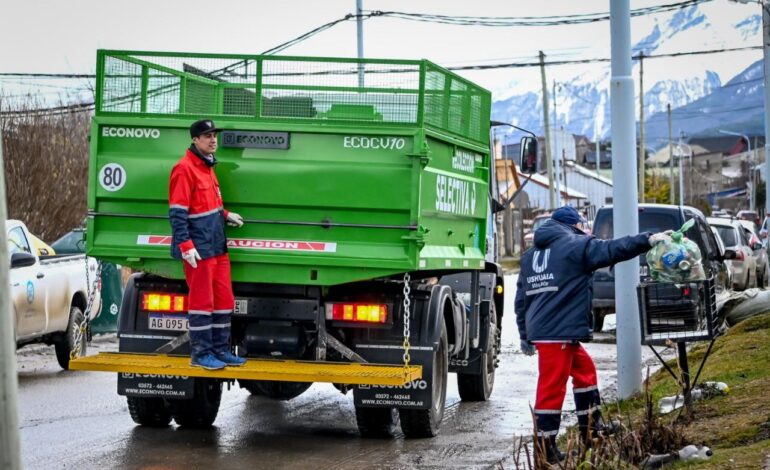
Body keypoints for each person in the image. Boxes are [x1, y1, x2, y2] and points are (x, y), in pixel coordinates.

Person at [515, 205, 668, 464]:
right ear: (574, 226)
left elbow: (521, 298)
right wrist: (648, 240)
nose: (585, 230)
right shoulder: (575, 245)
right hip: (558, 332)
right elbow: (612, 249)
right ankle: (544, 446)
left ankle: (591, 427)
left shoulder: (531, 256)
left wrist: (524, 333)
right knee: (551, 387)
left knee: (585, 372)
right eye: (582, 226)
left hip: (548, 330)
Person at [169, 119, 247, 370]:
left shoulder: (207, 166)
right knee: (202, 303)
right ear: (194, 139)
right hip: (199, 250)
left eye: (213, 135)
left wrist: (225, 215)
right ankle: (201, 354)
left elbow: (206, 204)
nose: (212, 139)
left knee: (224, 300)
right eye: (206, 136)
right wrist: (185, 245)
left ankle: (220, 351)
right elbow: (178, 213)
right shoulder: (184, 169)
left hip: (217, 246)